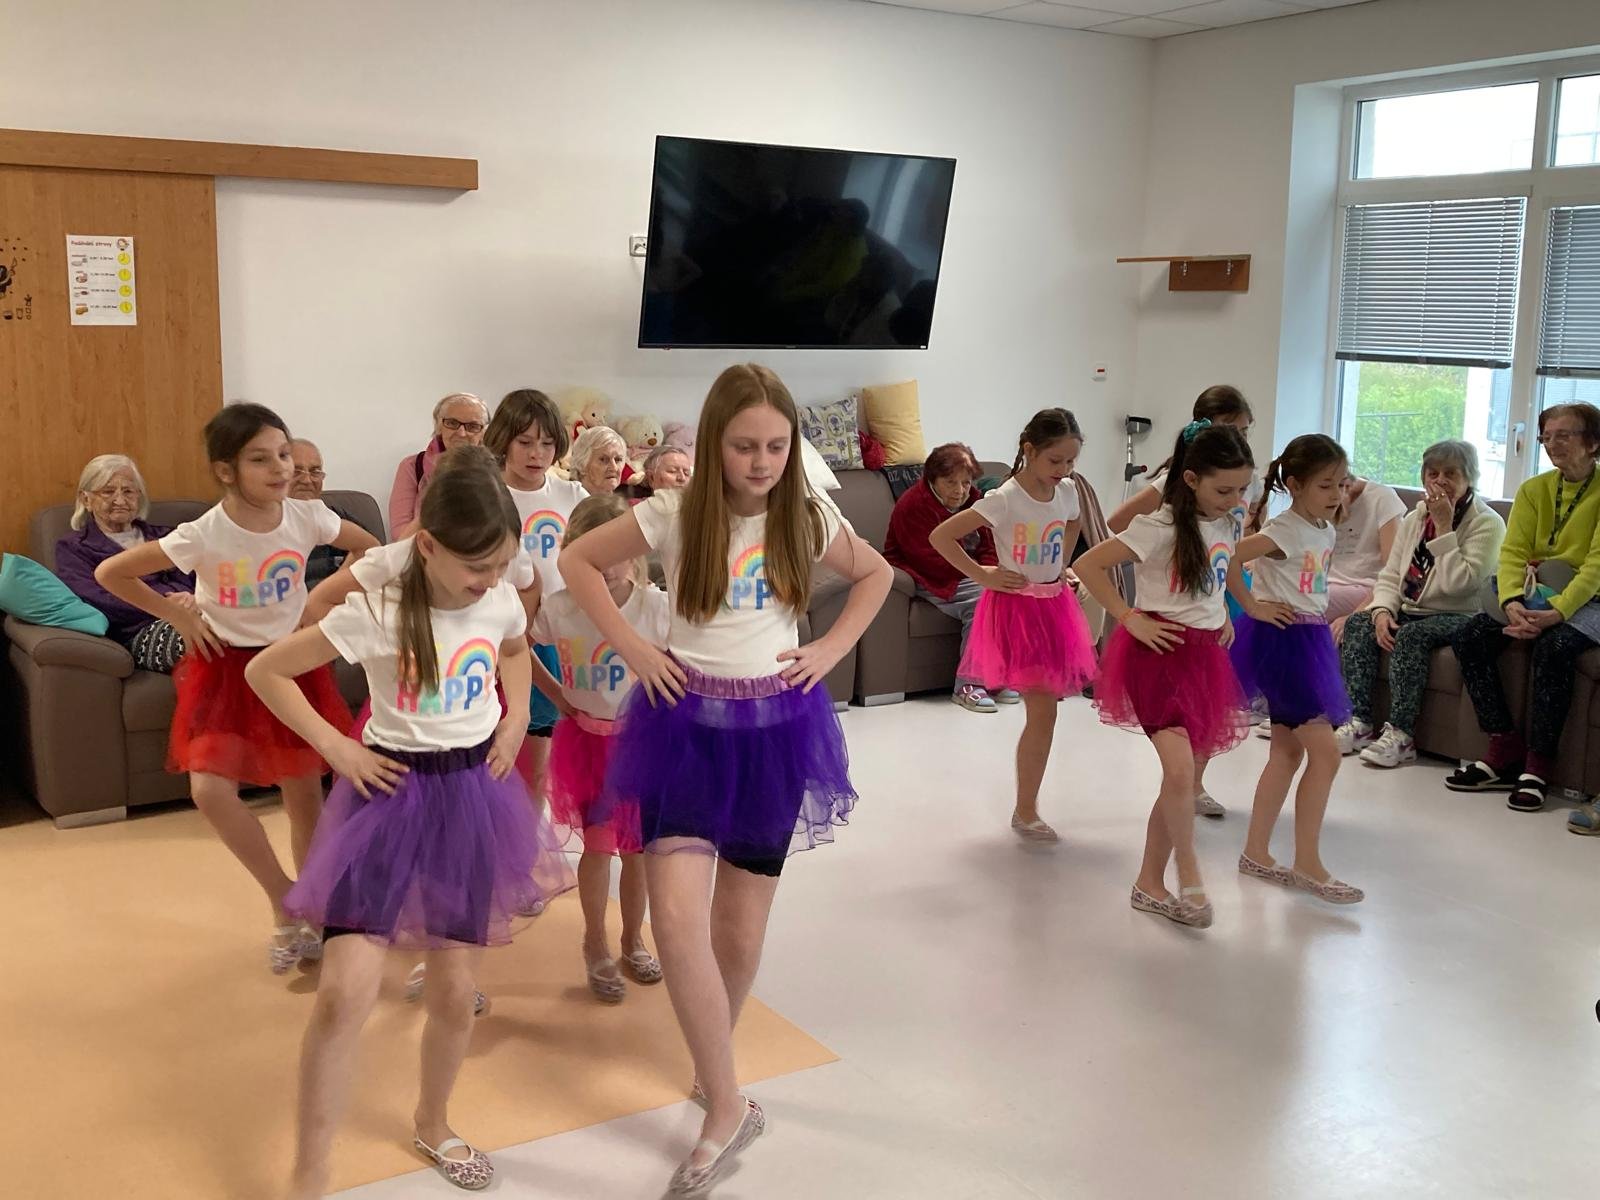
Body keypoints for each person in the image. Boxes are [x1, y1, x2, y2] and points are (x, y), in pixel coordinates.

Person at [559, 363, 891, 1195]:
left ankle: (717, 1076)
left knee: (738, 933)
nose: (762, 462)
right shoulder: (672, 513)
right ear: (714, 444)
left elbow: (877, 575)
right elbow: (577, 562)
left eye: (777, 446)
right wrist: (635, 647)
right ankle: (729, 1103)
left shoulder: (806, 516)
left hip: (774, 733)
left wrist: (829, 648)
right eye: (745, 446)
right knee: (677, 924)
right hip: (682, 730)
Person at [244, 447, 574, 1200]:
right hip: (387, 797)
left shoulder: (498, 597)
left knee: (455, 992)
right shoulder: (382, 610)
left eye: (501, 565)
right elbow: (268, 671)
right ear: (426, 546)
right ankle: (310, 1170)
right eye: (476, 567)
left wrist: (515, 716)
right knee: (343, 994)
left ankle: (433, 1120)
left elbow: (514, 648)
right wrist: (336, 746)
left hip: (471, 796)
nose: (490, 580)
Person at [94, 403, 379, 973]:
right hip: (224, 669)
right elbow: (112, 573)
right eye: (261, 459)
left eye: (284, 454)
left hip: (289, 668)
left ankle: (313, 909)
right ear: (226, 470)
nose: (281, 468)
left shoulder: (307, 516)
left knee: (304, 796)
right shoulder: (205, 532)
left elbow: (370, 548)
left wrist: (321, 600)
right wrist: (176, 614)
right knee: (209, 790)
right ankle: (282, 898)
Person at [1075, 421, 1255, 929]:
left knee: (1179, 780)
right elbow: (1089, 565)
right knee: (1179, 775)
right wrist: (1129, 616)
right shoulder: (1156, 527)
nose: (1235, 500)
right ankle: (1189, 872)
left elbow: (1222, 572)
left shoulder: (1228, 523)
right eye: (1224, 490)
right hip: (1157, 657)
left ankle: (1148, 884)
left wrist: (1220, 615)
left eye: (1242, 489)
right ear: (1191, 479)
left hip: (1204, 659)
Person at [928, 413, 1097, 840]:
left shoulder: (1067, 490)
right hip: (1018, 611)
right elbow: (942, 537)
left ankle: (1026, 807)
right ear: (1029, 450)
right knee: (1045, 711)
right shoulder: (1005, 498)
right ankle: (1025, 810)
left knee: (1046, 712)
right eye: (1055, 461)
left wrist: (1062, 564)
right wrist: (982, 575)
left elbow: (1073, 520)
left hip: (1055, 606)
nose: (1064, 470)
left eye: (1071, 462)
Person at [532, 494, 672, 1003]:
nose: (605, 568)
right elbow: (514, 643)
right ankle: (595, 941)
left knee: (638, 852)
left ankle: (633, 938)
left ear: (634, 553)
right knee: (597, 847)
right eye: (593, 555)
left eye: (615, 554)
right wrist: (556, 695)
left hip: (642, 747)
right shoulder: (560, 609)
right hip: (587, 746)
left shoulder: (655, 608)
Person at [1445, 402, 1600, 818]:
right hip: (1535, 593)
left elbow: (1595, 567)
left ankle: (1538, 766)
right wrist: (1512, 602)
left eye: (1563, 435)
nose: (1552, 444)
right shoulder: (1534, 489)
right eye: (1546, 437)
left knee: (1555, 647)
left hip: (1590, 598)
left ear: (1593, 442)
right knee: (1469, 637)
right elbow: (1513, 552)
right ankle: (1503, 746)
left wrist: (1557, 613)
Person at [1227, 435, 1363, 904]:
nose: (1337, 494)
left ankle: (1255, 852)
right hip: (1283, 644)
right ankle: (1307, 863)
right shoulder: (1284, 530)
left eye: (1342, 484)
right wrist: (1252, 605)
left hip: (1309, 638)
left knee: (1286, 754)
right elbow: (1227, 556)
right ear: (1296, 484)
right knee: (1326, 756)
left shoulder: (1324, 528)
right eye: (1326, 485)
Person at [1108, 384, 1254, 818]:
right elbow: (1112, 532)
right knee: (1179, 735)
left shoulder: (1231, 502)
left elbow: (1225, 557)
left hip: (1211, 611)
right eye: (1233, 429)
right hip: (1169, 623)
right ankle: (1185, 797)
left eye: (1245, 431)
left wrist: (1223, 609)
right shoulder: (1166, 510)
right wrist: (1131, 611)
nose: (1240, 439)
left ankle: (1193, 789)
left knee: (1205, 714)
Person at [1335, 440, 1505, 768]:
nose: (1440, 481)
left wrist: (1444, 528)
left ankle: (1402, 735)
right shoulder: (1415, 517)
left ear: (1469, 478)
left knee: (1411, 636)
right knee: (1359, 623)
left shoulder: (1487, 523)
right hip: (1411, 607)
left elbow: (1460, 583)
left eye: (1451, 474)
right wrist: (1382, 610)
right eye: (1433, 473)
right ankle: (1359, 722)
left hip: (1461, 614)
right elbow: (1391, 574)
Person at [884, 442, 1015, 713]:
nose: (960, 491)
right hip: (926, 573)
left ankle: (995, 677)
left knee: (1009, 593)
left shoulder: (975, 500)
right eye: (950, 483)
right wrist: (980, 576)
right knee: (983, 600)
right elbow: (928, 559)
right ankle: (967, 685)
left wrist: (990, 571)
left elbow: (989, 545)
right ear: (933, 479)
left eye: (966, 483)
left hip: (969, 572)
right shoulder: (913, 504)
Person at [54, 453, 195, 672]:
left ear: (139, 496)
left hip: (196, 612)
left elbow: (199, 576)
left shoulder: (166, 537)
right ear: (86, 499)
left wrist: (194, 599)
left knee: (239, 626)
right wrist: (166, 605)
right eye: (108, 491)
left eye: (128, 491)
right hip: (140, 631)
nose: (120, 500)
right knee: (206, 638)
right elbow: (101, 600)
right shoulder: (74, 548)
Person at [388, 392, 488, 538]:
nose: (461, 433)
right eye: (452, 423)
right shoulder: (412, 467)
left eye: (472, 426)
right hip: (421, 548)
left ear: (484, 432)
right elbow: (400, 534)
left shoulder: (495, 470)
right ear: (439, 426)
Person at [290, 438, 380, 588]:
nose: (307, 480)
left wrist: (329, 592)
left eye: (315, 472)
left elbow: (375, 554)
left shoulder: (337, 517)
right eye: (296, 472)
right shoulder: (264, 525)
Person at [1326, 474, 1407, 628]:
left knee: (1301, 604)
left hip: (1365, 588)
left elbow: (1393, 572)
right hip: (1326, 586)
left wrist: (1355, 616)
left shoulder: (1381, 498)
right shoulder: (1319, 500)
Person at [570, 425, 629, 498]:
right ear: (581, 463)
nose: (614, 468)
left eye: (618, 460)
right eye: (603, 459)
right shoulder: (567, 500)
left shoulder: (626, 503)